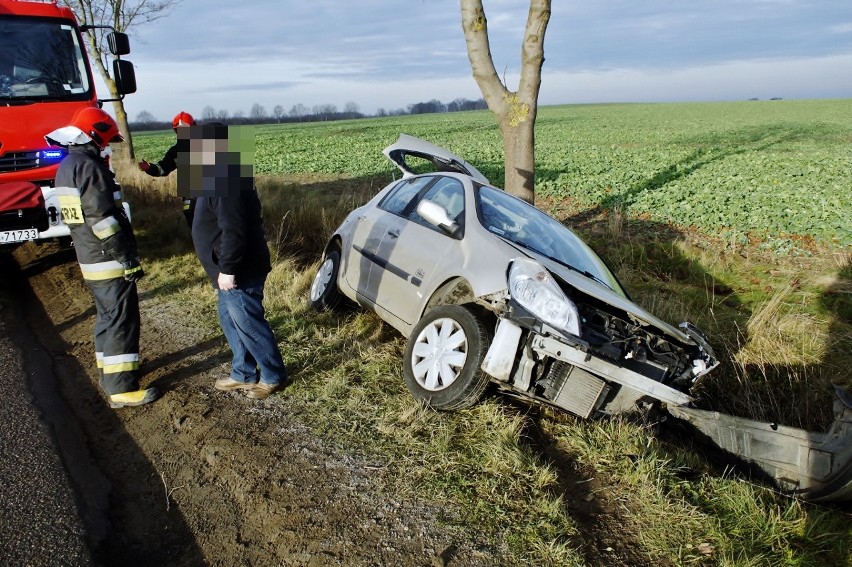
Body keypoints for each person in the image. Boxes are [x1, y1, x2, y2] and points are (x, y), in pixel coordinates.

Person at [46, 107, 158, 408]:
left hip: (88, 255)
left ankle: (108, 372)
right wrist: (127, 258)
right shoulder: (90, 167)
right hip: (107, 258)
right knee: (122, 319)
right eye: (106, 141)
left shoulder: (67, 165)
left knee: (107, 317)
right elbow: (102, 219)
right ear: (94, 136)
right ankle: (121, 388)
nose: (107, 147)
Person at [183, 122, 288, 399]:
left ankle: (273, 375)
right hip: (224, 268)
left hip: (239, 269)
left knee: (249, 322)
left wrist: (228, 269)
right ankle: (243, 373)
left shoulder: (226, 179)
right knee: (230, 320)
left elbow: (235, 230)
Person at [138, 110, 196, 226]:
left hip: (213, 195)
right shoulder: (175, 151)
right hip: (190, 196)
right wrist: (149, 168)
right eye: (179, 131)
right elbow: (163, 168)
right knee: (193, 223)